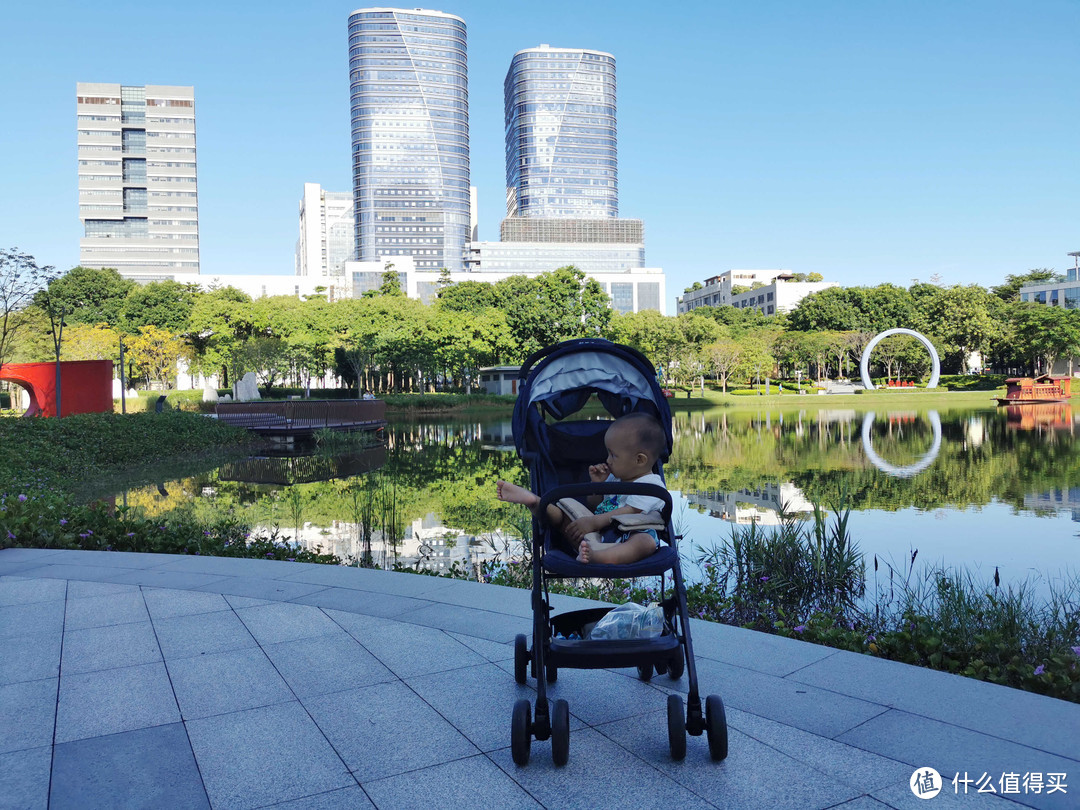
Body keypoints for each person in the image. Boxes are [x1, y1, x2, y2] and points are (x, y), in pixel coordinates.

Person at [497, 412, 667, 565]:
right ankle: (534, 501)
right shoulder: (614, 478)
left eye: (613, 455)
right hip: (595, 536)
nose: (607, 460)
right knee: (563, 516)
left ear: (639, 460)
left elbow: (630, 511)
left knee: (646, 543)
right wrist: (597, 486)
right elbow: (595, 506)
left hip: (630, 535)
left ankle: (598, 557)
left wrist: (593, 522)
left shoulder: (651, 485)